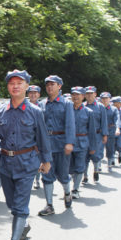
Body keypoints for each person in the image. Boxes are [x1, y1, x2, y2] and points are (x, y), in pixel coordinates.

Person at [0, 70, 52, 240]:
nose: (16, 86)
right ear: (8, 87)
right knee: (11, 204)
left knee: (19, 205)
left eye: (20, 83)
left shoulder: (35, 112)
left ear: (27, 87)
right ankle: (23, 225)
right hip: (6, 164)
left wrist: (46, 161)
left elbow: (43, 138)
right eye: (12, 83)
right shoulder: (0, 110)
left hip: (27, 164)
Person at [38, 75, 75, 216]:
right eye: (47, 84)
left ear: (60, 86)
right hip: (46, 144)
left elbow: (70, 124)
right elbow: (39, 126)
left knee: (63, 174)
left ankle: (67, 193)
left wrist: (69, 142)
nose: (49, 86)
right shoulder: (42, 104)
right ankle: (49, 205)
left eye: (53, 84)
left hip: (61, 144)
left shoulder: (66, 104)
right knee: (46, 174)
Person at [69, 87, 97, 199]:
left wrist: (92, 146)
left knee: (80, 166)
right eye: (73, 94)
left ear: (83, 96)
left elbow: (92, 131)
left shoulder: (88, 112)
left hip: (82, 143)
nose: (75, 97)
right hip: (69, 143)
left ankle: (75, 189)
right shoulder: (67, 110)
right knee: (69, 168)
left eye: (78, 95)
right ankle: (73, 181)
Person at [82, 86, 108, 184]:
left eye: (91, 93)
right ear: (84, 95)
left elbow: (104, 121)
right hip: (85, 135)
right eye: (87, 93)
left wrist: (104, 135)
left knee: (95, 155)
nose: (89, 95)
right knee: (84, 156)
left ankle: (96, 171)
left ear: (95, 94)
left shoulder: (100, 106)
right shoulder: (82, 106)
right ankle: (85, 176)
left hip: (97, 135)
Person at [99, 93, 121, 172]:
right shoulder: (98, 108)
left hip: (110, 130)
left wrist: (117, 128)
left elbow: (117, 120)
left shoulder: (114, 109)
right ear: (101, 99)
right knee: (99, 148)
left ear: (109, 99)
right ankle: (98, 165)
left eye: (106, 98)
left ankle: (109, 165)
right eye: (103, 98)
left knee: (110, 148)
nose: (105, 100)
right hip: (100, 131)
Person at [27, 85, 43, 190]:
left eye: (35, 92)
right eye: (31, 92)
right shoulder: (24, 105)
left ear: (38, 94)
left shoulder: (43, 106)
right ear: (28, 94)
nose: (33, 94)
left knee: (37, 159)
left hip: (38, 137)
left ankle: (37, 179)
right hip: (27, 137)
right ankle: (28, 179)